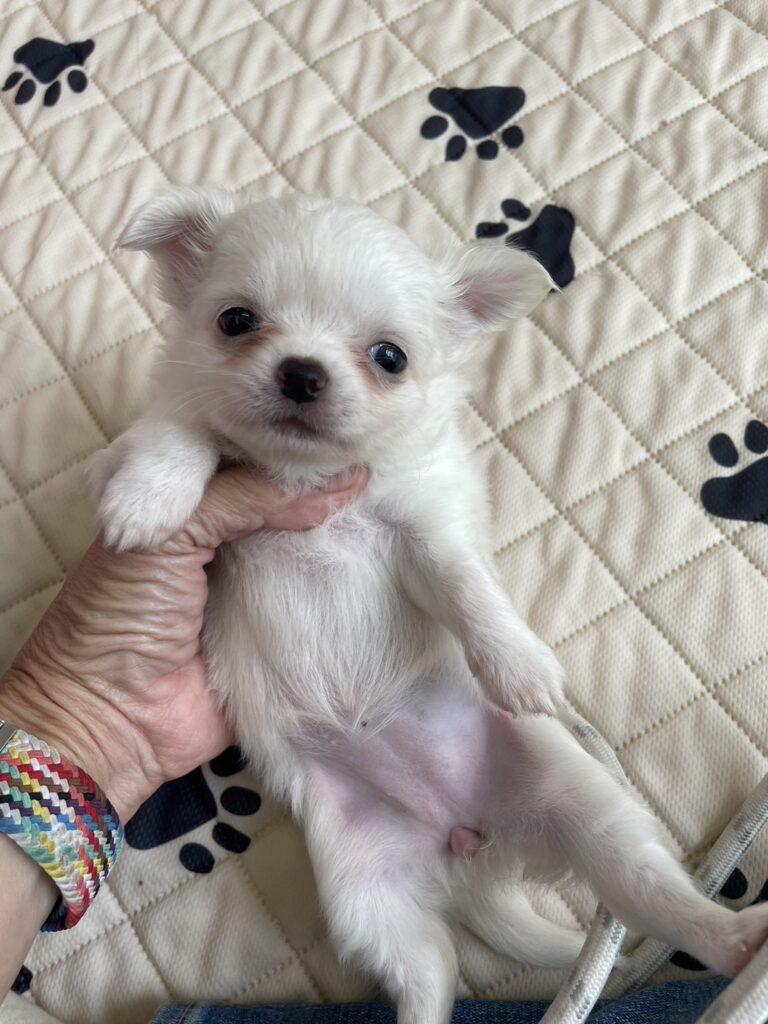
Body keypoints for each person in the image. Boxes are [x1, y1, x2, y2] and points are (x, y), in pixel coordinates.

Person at [0, 465, 733, 1023]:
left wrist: (495, 638)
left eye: (383, 358)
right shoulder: (189, 449)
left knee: (594, 817)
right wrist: (163, 463)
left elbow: (438, 553)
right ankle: (424, 993)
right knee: (372, 910)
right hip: (339, 778)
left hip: (465, 725)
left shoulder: (400, 470)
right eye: (241, 326)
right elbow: (136, 465)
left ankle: (708, 930)